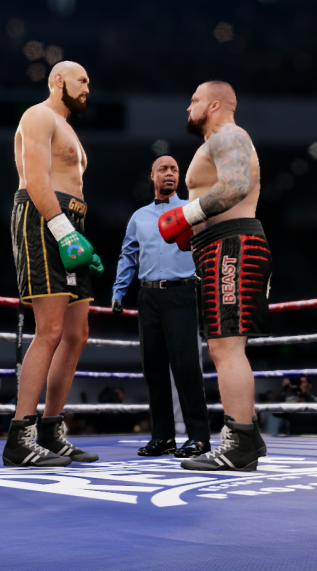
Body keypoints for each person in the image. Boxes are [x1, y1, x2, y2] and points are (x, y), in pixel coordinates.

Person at [159, 81, 268, 472]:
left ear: (215, 104)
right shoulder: (217, 142)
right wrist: (193, 228)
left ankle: (237, 443)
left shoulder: (229, 135)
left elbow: (236, 185)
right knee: (223, 345)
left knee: (226, 348)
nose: (189, 108)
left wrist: (186, 217)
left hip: (231, 246)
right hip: (220, 247)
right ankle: (248, 436)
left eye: (195, 101)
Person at [5, 61, 103, 467]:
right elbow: (35, 178)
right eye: (82, 80)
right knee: (50, 330)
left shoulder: (69, 129)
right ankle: (19, 436)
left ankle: (51, 429)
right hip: (43, 214)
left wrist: (74, 231)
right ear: (58, 80)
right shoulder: (38, 114)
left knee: (77, 333)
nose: (87, 89)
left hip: (70, 220)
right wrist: (63, 230)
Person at [113, 155, 210, 459]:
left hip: (182, 294)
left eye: (174, 170)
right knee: (154, 369)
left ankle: (199, 437)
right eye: (163, 170)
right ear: (152, 176)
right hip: (148, 297)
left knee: (187, 367)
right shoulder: (139, 216)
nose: (169, 174)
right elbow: (127, 255)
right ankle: (163, 437)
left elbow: (206, 250)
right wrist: (119, 291)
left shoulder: (191, 211)